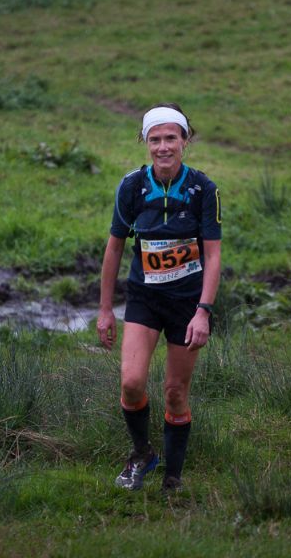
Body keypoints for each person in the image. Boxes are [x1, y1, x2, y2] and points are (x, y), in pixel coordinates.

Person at [97, 103, 221, 494]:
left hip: (187, 303)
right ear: (145, 142)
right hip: (144, 299)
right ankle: (142, 454)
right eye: (155, 139)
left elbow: (214, 255)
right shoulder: (132, 186)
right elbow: (114, 248)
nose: (163, 147)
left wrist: (203, 312)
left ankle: (173, 479)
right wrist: (105, 310)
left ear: (185, 140)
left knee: (175, 391)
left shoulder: (203, 189)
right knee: (132, 382)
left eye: (171, 138)